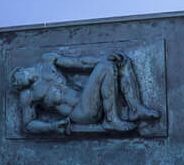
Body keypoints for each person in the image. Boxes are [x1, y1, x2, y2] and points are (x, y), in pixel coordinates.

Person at [9, 52, 159, 135]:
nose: (17, 85)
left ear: (22, 71)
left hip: (88, 99)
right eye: (16, 86)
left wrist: (101, 58)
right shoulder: (27, 95)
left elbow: (79, 62)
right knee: (105, 67)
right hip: (80, 113)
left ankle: (135, 108)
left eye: (16, 80)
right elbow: (28, 125)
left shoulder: (47, 60)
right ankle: (111, 120)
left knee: (119, 62)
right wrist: (53, 126)